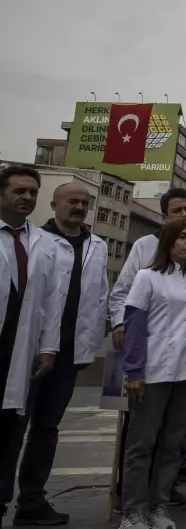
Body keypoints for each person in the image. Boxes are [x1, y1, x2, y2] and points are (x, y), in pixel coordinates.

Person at [0, 182, 106, 525]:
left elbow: (99, 297)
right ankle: (1, 497)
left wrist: (90, 344)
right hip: (30, 352)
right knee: (13, 427)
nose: (79, 207)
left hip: (70, 353)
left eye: (85, 202)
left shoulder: (98, 246)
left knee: (47, 428)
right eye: (72, 201)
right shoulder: (37, 243)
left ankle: (32, 500)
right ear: (54, 204)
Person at [109, 187, 186, 494]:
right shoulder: (145, 256)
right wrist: (121, 330)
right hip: (152, 362)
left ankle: (163, 493)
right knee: (142, 437)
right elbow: (125, 299)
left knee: (176, 436)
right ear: (164, 218)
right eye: (178, 212)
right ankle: (131, 499)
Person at [0, 168, 72, 526]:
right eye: (19, 191)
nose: (27, 197)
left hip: (22, 352)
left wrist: (48, 348)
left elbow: (50, 302)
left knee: (11, 431)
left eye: (32, 192)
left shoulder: (43, 244)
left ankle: (4, 504)